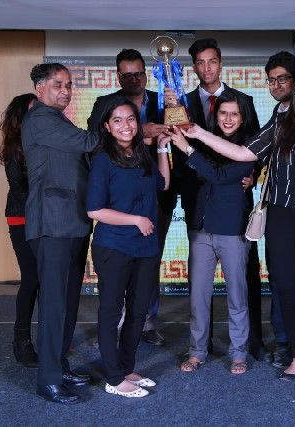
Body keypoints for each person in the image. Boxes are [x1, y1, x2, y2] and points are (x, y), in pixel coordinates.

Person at [182, 66, 295, 382]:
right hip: (281, 219)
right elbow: (241, 152)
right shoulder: (280, 126)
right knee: (287, 289)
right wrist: (199, 133)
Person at [179, 38, 262, 357]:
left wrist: (253, 175)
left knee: (240, 290)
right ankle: (198, 350)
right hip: (200, 211)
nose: (207, 68)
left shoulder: (245, 120)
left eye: (212, 61)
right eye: (200, 62)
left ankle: (243, 347)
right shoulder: (184, 103)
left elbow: (257, 153)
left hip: (233, 218)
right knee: (198, 294)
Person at [22, 63, 99, 404]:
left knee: (67, 302)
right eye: (58, 84)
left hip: (72, 222)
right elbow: (88, 141)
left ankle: (60, 365)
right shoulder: (40, 119)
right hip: (52, 224)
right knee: (54, 305)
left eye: (68, 85)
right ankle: (49, 380)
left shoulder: (57, 119)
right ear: (39, 88)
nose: (65, 91)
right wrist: (129, 125)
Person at [87, 97, 170, 398]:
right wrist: (136, 219)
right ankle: (113, 377)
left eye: (131, 119)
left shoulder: (141, 154)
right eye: (118, 120)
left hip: (145, 246)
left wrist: (161, 149)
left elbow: (163, 184)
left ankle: (126, 367)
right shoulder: (102, 160)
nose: (126, 125)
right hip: (114, 246)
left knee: (138, 310)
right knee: (112, 312)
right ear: (107, 127)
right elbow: (94, 210)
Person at [169, 90, 257, 374]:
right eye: (223, 113)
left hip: (232, 231)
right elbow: (196, 169)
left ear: (242, 118)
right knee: (198, 296)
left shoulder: (249, 147)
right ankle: (197, 351)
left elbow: (218, 176)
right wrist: (173, 106)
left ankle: (239, 353)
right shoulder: (205, 140)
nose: (228, 119)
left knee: (237, 296)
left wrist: (189, 150)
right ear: (215, 115)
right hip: (201, 229)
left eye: (234, 114)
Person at [260, 51, 295, 369]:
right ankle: (285, 342)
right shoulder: (277, 114)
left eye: (282, 79)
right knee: (278, 280)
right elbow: (256, 150)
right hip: (277, 211)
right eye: (271, 80)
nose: (276, 85)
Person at [0, 92, 40, 368]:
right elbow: (20, 187)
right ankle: (21, 340)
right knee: (31, 279)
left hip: (43, 218)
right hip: (22, 218)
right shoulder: (15, 146)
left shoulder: (41, 139)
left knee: (46, 280)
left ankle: (49, 338)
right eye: (33, 110)